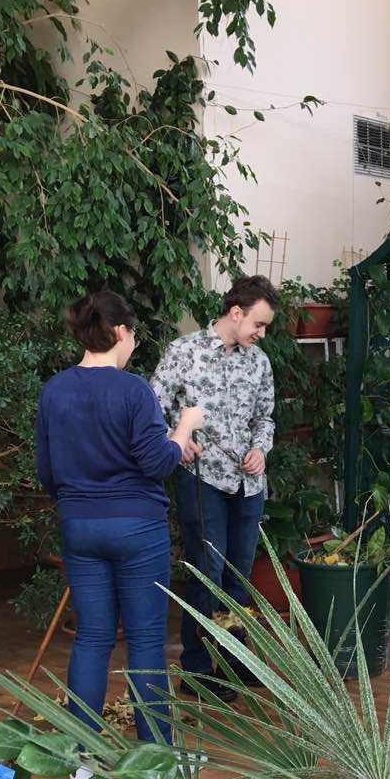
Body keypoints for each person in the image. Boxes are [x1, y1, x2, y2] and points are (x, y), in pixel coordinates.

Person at [36, 291, 203, 752]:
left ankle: (82, 757)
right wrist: (185, 427)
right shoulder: (133, 391)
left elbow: (47, 471)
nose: (133, 345)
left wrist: (82, 502)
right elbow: (157, 462)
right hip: (137, 529)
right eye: (133, 336)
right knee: (146, 642)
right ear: (121, 332)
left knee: (92, 637)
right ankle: (155, 757)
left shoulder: (55, 390)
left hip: (79, 525)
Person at [152, 275, 278, 700]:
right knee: (207, 573)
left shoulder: (259, 362)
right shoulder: (183, 352)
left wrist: (261, 449)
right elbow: (152, 409)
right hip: (201, 478)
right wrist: (177, 439)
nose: (261, 334)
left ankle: (234, 661)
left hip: (249, 484)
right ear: (236, 312)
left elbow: (265, 417)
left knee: (239, 577)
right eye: (258, 324)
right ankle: (198, 670)